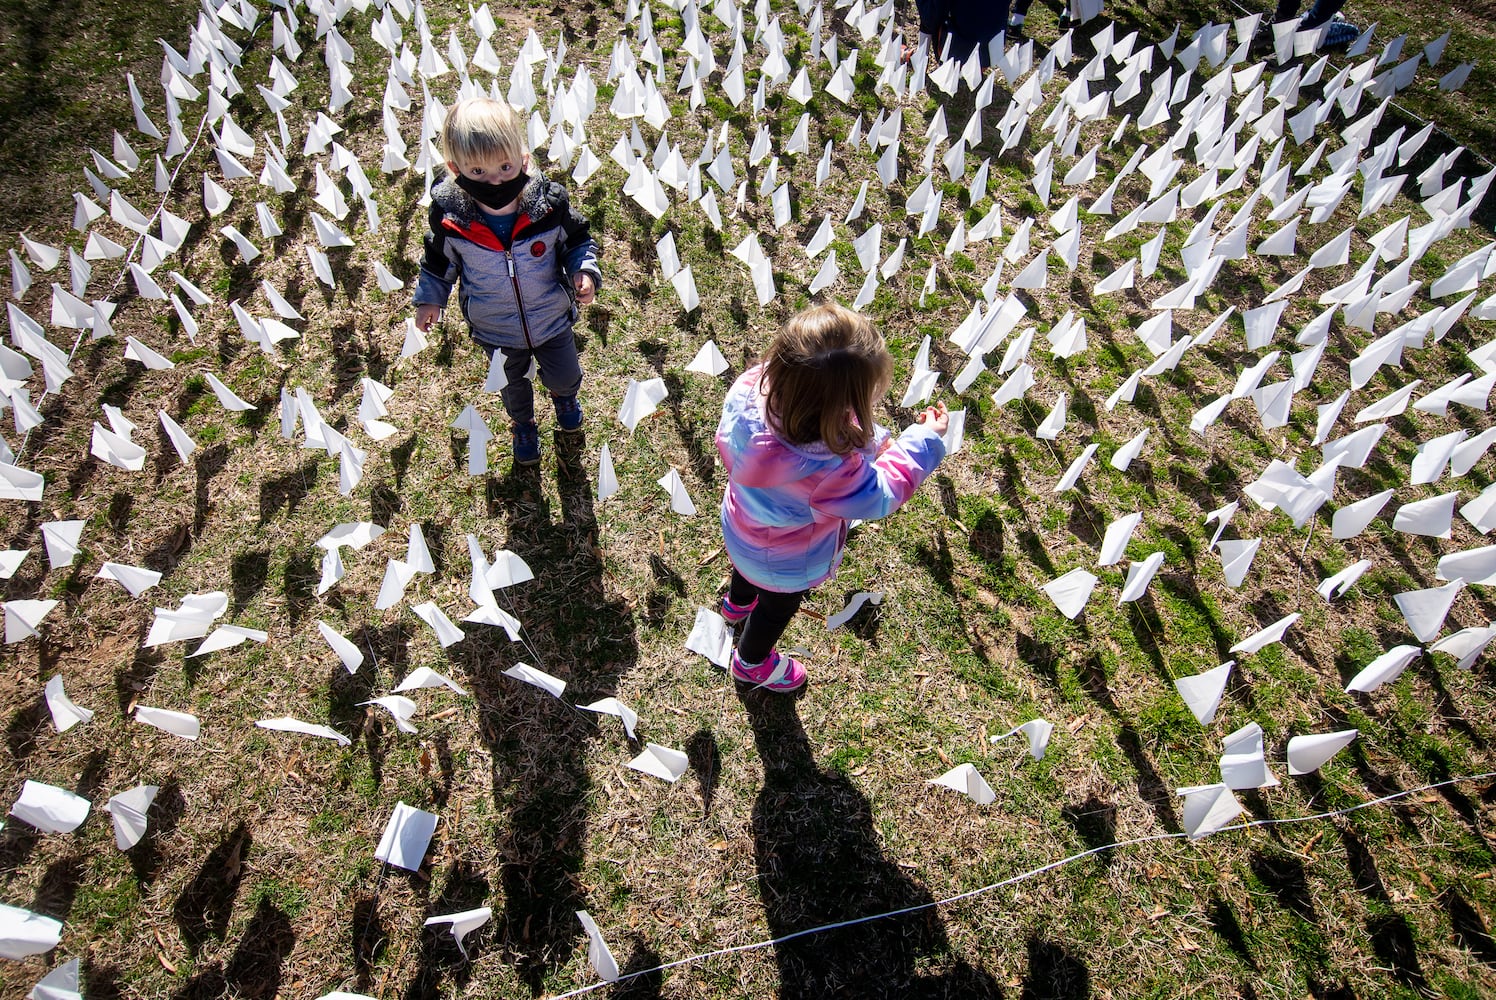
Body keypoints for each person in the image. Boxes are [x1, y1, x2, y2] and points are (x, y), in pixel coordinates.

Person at [715, 303, 949, 693]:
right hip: (784, 565)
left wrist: (869, 440)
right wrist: (922, 441)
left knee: (747, 571)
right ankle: (751, 663)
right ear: (846, 403)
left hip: (741, 528)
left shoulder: (747, 391)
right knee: (775, 611)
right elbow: (883, 493)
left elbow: (832, 425)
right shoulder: (830, 470)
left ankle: (736, 604)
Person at [414, 97, 602, 466]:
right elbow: (437, 261)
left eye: (504, 166)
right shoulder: (452, 219)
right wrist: (430, 299)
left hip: (551, 318)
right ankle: (524, 424)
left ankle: (564, 399)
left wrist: (584, 271)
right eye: (479, 172)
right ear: (456, 169)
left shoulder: (548, 207)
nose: (496, 180)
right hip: (494, 327)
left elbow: (578, 240)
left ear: (523, 159)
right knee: (512, 386)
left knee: (565, 374)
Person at [914, 0, 1007, 67]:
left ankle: (921, 58)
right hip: (988, 55)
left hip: (955, 53)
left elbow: (930, 19)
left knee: (931, 10)